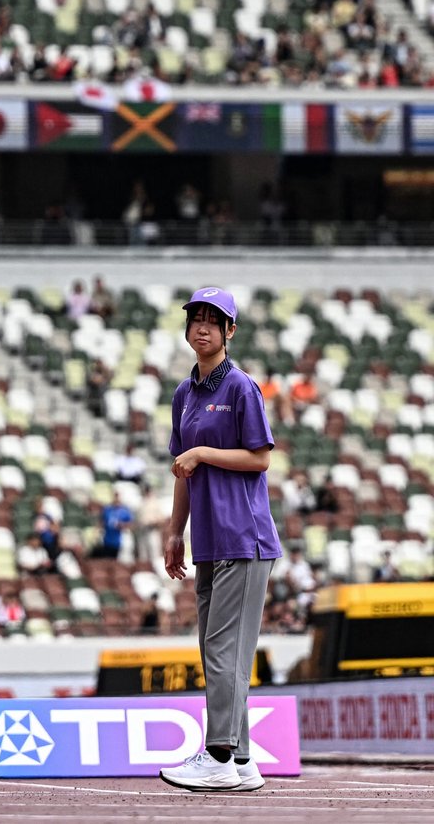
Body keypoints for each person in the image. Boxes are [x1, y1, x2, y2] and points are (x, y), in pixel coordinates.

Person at [159, 288, 277, 794]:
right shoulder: (183, 394)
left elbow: (260, 458)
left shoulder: (242, 387)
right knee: (219, 651)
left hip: (244, 536)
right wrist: (174, 532)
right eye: (195, 320)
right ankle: (242, 760)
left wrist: (203, 451)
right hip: (209, 539)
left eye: (213, 320)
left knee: (224, 649)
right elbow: (181, 470)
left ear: (231, 330)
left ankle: (219, 755)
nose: (202, 328)